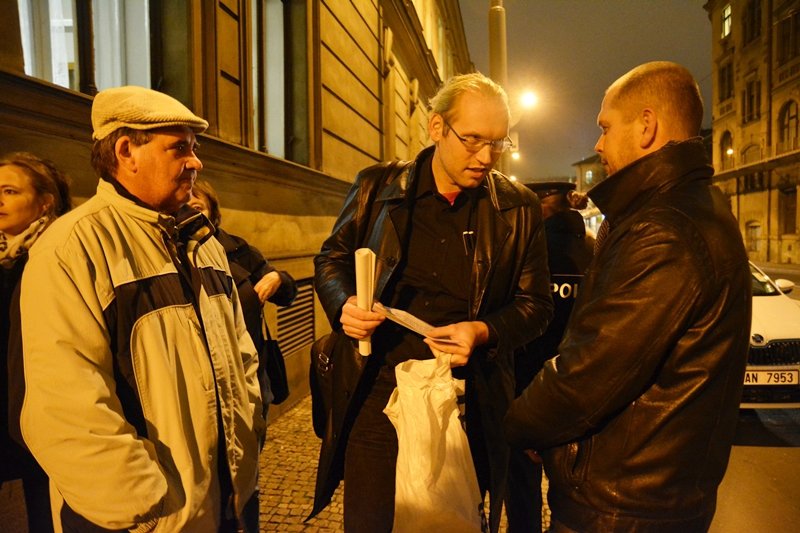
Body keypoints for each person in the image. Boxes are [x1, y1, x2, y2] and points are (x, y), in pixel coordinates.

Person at [505, 61, 752, 532]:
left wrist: (519, 424)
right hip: (648, 499)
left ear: (646, 125)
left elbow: (591, 370)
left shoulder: (665, 230)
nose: (597, 144)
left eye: (605, 127)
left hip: (623, 508)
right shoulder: (684, 208)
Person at [311, 72, 553, 533]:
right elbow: (332, 259)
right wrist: (344, 305)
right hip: (378, 390)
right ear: (436, 127)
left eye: (497, 143)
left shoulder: (518, 208)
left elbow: (536, 305)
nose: (486, 157)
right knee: (370, 521)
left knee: (451, 521)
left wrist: (483, 332)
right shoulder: (376, 188)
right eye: (473, 139)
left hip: (466, 395)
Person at [17, 86, 265, 532]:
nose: (196, 162)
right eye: (180, 148)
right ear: (127, 151)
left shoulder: (200, 239)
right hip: (146, 520)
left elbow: (241, 354)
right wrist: (147, 505)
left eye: (195, 148)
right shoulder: (72, 248)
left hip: (229, 503)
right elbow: (67, 406)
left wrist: (247, 435)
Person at [505, 181, 593, 533]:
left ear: (541, 204)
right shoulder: (594, 248)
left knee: (522, 491)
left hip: (529, 389)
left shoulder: (529, 250)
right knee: (570, 495)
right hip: (578, 391)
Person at [0, 152, 71, 533]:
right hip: (7, 410)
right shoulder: (5, 256)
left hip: (46, 413)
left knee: (48, 515)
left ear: (45, 202)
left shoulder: (57, 254)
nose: (0, 200)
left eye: (9, 191)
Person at [189, 179, 297, 415]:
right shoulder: (174, 253)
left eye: (198, 208)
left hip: (250, 372)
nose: (191, 214)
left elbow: (288, 295)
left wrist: (278, 278)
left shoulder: (238, 250)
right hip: (203, 379)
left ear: (213, 213)